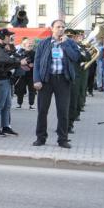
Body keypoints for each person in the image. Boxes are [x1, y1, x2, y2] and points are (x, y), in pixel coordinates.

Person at [32, 19, 80, 148]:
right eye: (58, 27)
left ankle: (62, 139)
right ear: (52, 28)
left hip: (63, 80)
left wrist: (65, 45)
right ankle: (41, 138)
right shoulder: (44, 43)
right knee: (42, 110)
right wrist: (36, 80)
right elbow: (36, 62)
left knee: (63, 111)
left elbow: (75, 57)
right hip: (46, 80)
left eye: (63, 27)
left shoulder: (70, 43)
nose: (61, 29)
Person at [0, 28, 25, 137]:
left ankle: (6, 126)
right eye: (8, 36)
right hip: (0, 79)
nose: (10, 38)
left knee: (7, 105)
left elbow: (9, 59)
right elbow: (4, 60)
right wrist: (18, 62)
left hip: (6, 79)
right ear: (1, 37)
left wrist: (17, 58)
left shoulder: (2, 48)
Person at [13, 37, 37, 109]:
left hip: (32, 74)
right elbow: (16, 60)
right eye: (28, 43)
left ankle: (31, 104)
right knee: (20, 90)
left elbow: (38, 62)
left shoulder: (35, 53)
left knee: (32, 90)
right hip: (22, 74)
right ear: (24, 44)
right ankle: (19, 104)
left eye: (31, 44)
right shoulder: (20, 52)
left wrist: (33, 64)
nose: (30, 45)